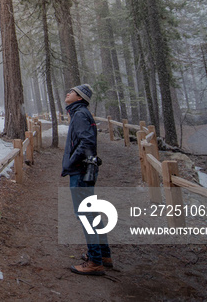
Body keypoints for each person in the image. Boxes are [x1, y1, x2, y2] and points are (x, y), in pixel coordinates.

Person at [61, 84, 112, 276]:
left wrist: (72, 161)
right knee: (91, 213)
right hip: (84, 169)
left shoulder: (80, 114)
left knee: (85, 214)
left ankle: (95, 261)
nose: (68, 93)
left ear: (80, 98)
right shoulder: (78, 113)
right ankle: (103, 255)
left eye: (72, 92)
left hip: (81, 171)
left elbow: (87, 142)